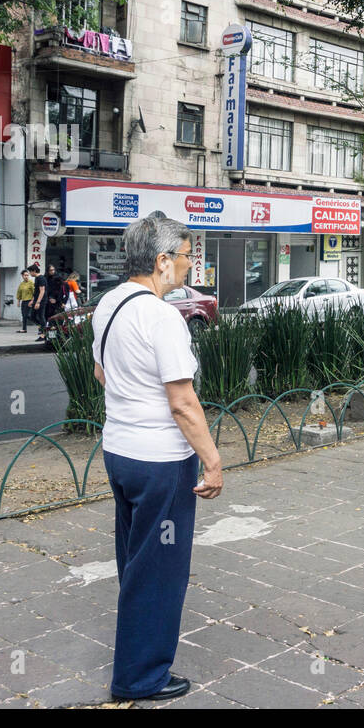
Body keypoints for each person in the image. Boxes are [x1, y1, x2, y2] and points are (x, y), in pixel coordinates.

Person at [91, 212, 223, 703]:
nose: (191, 266)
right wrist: (212, 461)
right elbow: (183, 402)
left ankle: (136, 658)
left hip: (119, 451)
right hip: (160, 461)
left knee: (136, 561)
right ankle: (140, 677)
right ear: (163, 261)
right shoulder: (162, 316)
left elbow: (103, 376)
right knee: (160, 569)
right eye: (187, 256)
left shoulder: (108, 303)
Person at [30, 263, 48, 340]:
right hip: (37, 300)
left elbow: (42, 291)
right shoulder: (37, 278)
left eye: (30, 272)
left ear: (34, 271)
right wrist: (32, 300)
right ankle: (42, 327)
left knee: (41, 316)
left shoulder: (41, 278)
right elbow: (36, 291)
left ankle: (43, 334)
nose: (30, 273)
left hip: (41, 301)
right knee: (32, 316)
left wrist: (38, 302)